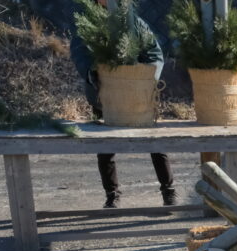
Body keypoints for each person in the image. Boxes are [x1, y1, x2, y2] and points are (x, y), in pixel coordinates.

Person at [69, 0, 176, 209]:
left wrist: (146, 78)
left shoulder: (134, 22)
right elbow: (80, 54)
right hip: (103, 95)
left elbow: (154, 54)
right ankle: (112, 194)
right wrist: (92, 73)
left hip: (138, 96)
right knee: (105, 146)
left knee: (155, 143)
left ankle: (168, 191)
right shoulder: (88, 22)